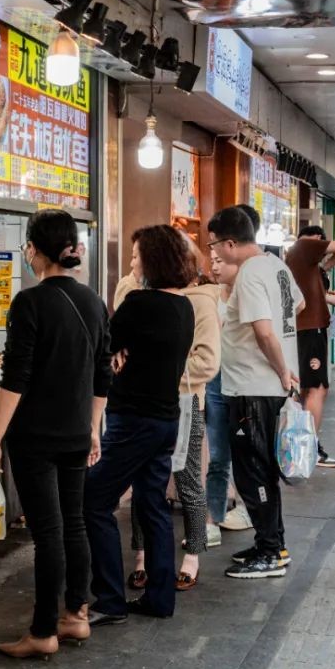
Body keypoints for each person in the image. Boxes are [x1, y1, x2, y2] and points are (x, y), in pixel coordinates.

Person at [0, 210, 112, 659]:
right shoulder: (93, 301)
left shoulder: (30, 303)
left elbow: (15, 378)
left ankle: (42, 632)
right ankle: (76, 615)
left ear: (35, 250)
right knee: (73, 523)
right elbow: (102, 375)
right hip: (76, 432)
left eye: (27, 246)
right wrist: (94, 429)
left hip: (35, 437)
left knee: (48, 533)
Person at [84, 226, 196, 625]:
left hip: (134, 421)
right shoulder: (183, 306)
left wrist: (118, 356)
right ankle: (159, 599)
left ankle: (109, 599)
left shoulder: (139, 302)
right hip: (166, 420)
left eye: (135, 256)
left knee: (93, 500)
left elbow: (104, 347)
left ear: (152, 260)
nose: (132, 263)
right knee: (153, 506)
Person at [119, 233, 221, 592]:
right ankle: (141, 555)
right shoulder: (135, 292)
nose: (132, 263)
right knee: (143, 483)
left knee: (189, 480)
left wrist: (156, 371)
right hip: (143, 403)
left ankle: (193, 555)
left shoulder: (201, 301)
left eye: (138, 256)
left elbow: (207, 362)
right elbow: (120, 335)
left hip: (184, 401)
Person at [208, 206, 304, 579]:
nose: (214, 252)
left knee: (253, 473)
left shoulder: (248, 274)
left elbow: (263, 332)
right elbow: (298, 304)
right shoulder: (276, 266)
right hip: (266, 388)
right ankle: (271, 542)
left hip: (253, 388)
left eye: (215, 245)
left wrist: (281, 370)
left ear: (230, 243)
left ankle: (270, 552)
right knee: (261, 469)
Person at [285, 225, 335, 468]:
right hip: (310, 330)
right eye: (319, 241)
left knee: (305, 389)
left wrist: (324, 266)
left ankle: (299, 447)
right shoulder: (304, 246)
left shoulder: (301, 262)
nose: (321, 244)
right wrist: (325, 253)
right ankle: (309, 448)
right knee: (316, 388)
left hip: (304, 329)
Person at [204, 248, 254, 537]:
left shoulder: (249, 293)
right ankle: (213, 519)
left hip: (246, 382)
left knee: (248, 455)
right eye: (213, 261)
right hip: (216, 379)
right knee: (218, 457)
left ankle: (253, 512)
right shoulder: (210, 296)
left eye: (220, 261)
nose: (215, 266)